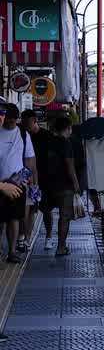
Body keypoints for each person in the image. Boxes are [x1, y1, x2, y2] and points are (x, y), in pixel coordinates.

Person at [0, 104, 35, 263]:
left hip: (18, 183)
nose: (9, 124)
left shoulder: (23, 134)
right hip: (0, 182)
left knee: (13, 219)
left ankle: (12, 251)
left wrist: (33, 182)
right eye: (7, 121)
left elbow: (29, 159)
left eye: (13, 122)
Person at [38, 116, 77, 256]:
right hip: (64, 185)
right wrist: (76, 184)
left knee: (47, 211)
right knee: (64, 216)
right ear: (68, 128)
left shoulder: (48, 142)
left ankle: (48, 237)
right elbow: (69, 165)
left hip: (47, 184)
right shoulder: (66, 143)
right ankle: (61, 247)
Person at [18, 110, 41, 252]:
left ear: (34, 120)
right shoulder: (21, 134)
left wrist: (35, 183)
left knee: (30, 210)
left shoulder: (23, 135)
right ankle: (22, 238)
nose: (25, 126)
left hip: (27, 179)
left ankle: (26, 238)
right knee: (22, 212)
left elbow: (32, 162)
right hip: (18, 179)